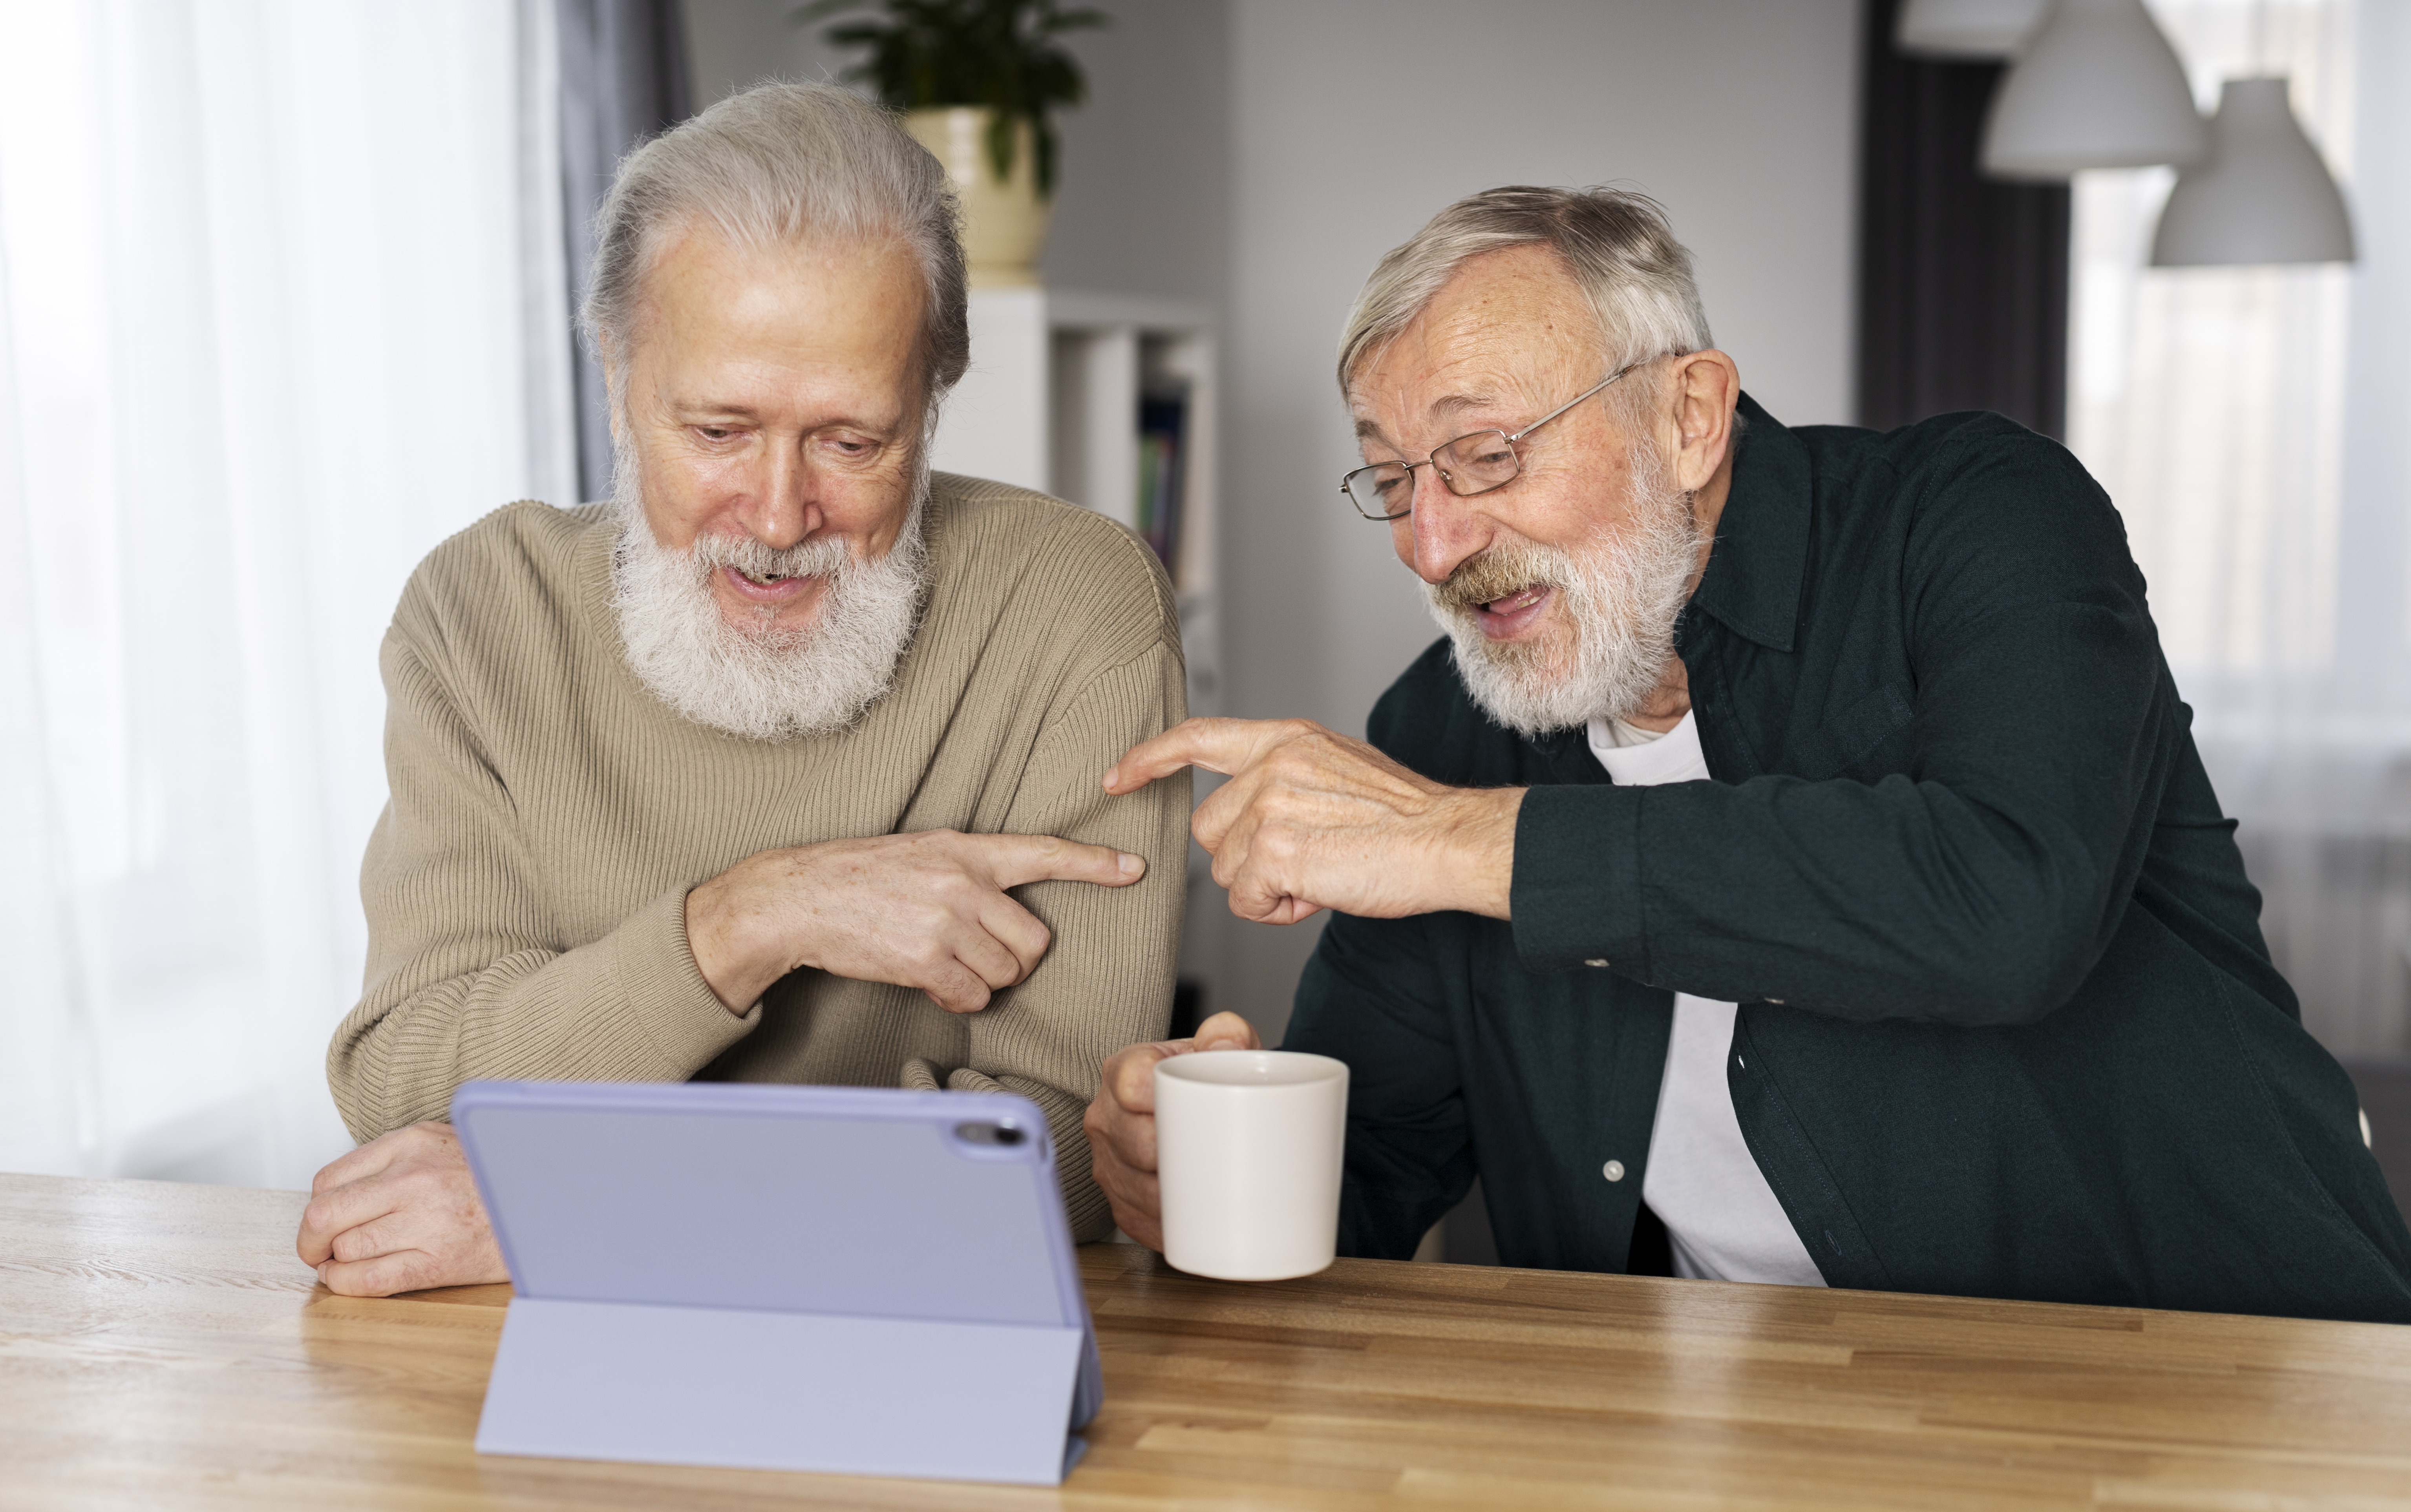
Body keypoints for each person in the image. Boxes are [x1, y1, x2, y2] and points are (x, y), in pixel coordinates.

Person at [1085, 186, 2411, 1322]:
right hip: (1737, 1439)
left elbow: (2010, 900)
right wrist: (1191, 1178)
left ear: (1689, 418)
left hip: (2218, 1376)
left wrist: (1461, 841)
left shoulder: (1978, 520)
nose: (1431, 548)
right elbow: (1371, 1173)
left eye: (1486, 455)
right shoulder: (1440, 726)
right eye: (1394, 478)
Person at [298, 83, 1187, 1296]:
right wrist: (755, 918)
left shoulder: (1079, 610)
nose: (777, 518)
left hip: (930, 1344)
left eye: (852, 441)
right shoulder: (480, 612)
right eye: (718, 431)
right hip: (512, 1356)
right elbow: (410, 1086)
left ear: (932, 405)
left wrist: (577, 1206)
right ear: (618, 372)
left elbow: (1066, 1153)